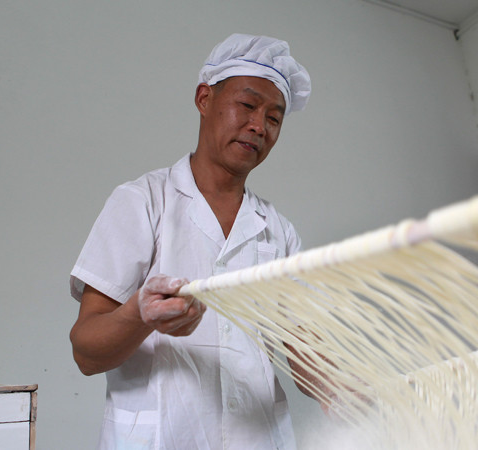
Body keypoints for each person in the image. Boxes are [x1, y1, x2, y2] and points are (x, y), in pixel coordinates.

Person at [69, 33, 312, 449]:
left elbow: (310, 357)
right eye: (248, 105)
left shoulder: (279, 230)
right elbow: (86, 353)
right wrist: (139, 315)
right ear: (204, 99)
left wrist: (356, 386)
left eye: (275, 118)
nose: (259, 126)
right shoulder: (143, 202)